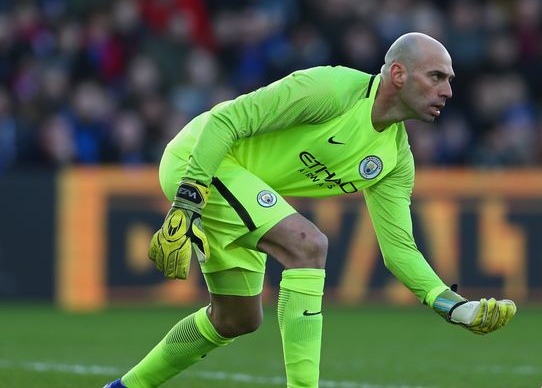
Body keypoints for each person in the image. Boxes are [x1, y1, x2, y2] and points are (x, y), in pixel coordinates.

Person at [104, 32, 516, 388]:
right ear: (398, 75)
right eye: (437, 77)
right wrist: (189, 199)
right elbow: (228, 120)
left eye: (449, 80)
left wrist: (450, 304)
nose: (447, 91)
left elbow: (399, 250)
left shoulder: (394, 158)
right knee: (307, 245)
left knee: (236, 319)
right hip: (200, 160)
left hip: (242, 188)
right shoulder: (332, 89)